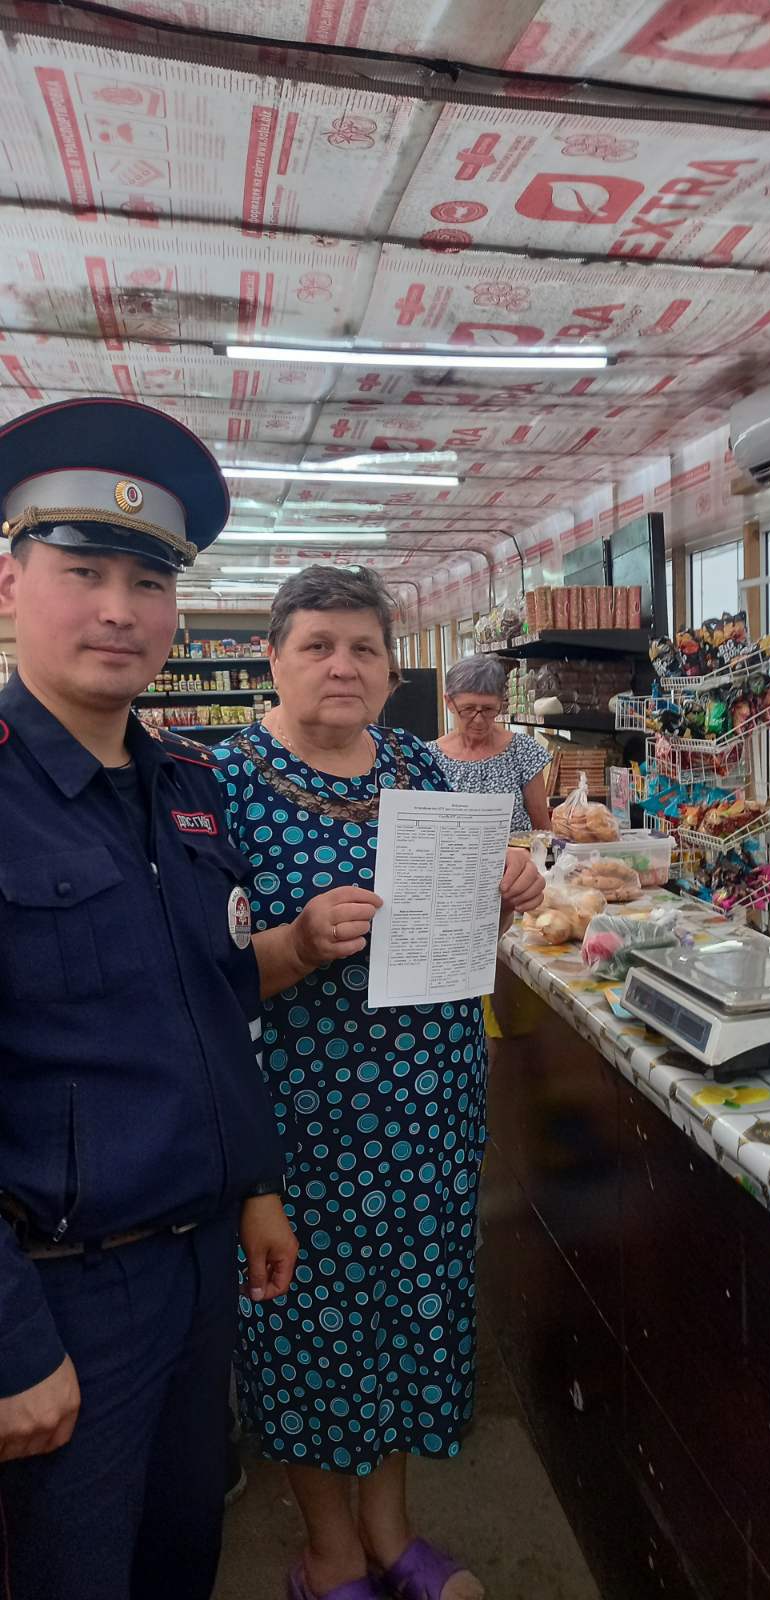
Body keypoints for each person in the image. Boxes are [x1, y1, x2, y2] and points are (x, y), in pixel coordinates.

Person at [0, 398, 295, 1600]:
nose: (119, 608)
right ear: (11, 580)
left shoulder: (183, 787)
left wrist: (257, 1184)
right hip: (59, 1293)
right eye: (83, 570)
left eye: (147, 579)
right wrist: (10, 1340)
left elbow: (215, 1005)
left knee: (183, 1554)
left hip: (197, 1269)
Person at [211, 565, 544, 1600]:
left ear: (395, 668)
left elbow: (448, 927)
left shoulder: (418, 766)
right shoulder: (220, 785)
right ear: (273, 656)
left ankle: (394, 1531)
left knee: (411, 1307)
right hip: (302, 1115)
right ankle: (331, 1552)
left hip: (430, 1103)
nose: (342, 665)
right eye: (316, 644)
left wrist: (504, 896)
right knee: (309, 1322)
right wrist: (297, 944)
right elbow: (201, 974)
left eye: (363, 647)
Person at [432, 654, 552, 834]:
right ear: (449, 702)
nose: (479, 720)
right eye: (468, 709)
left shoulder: (523, 751)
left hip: (514, 861)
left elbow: (542, 830)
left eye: (488, 709)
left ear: (500, 703)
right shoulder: (429, 757)